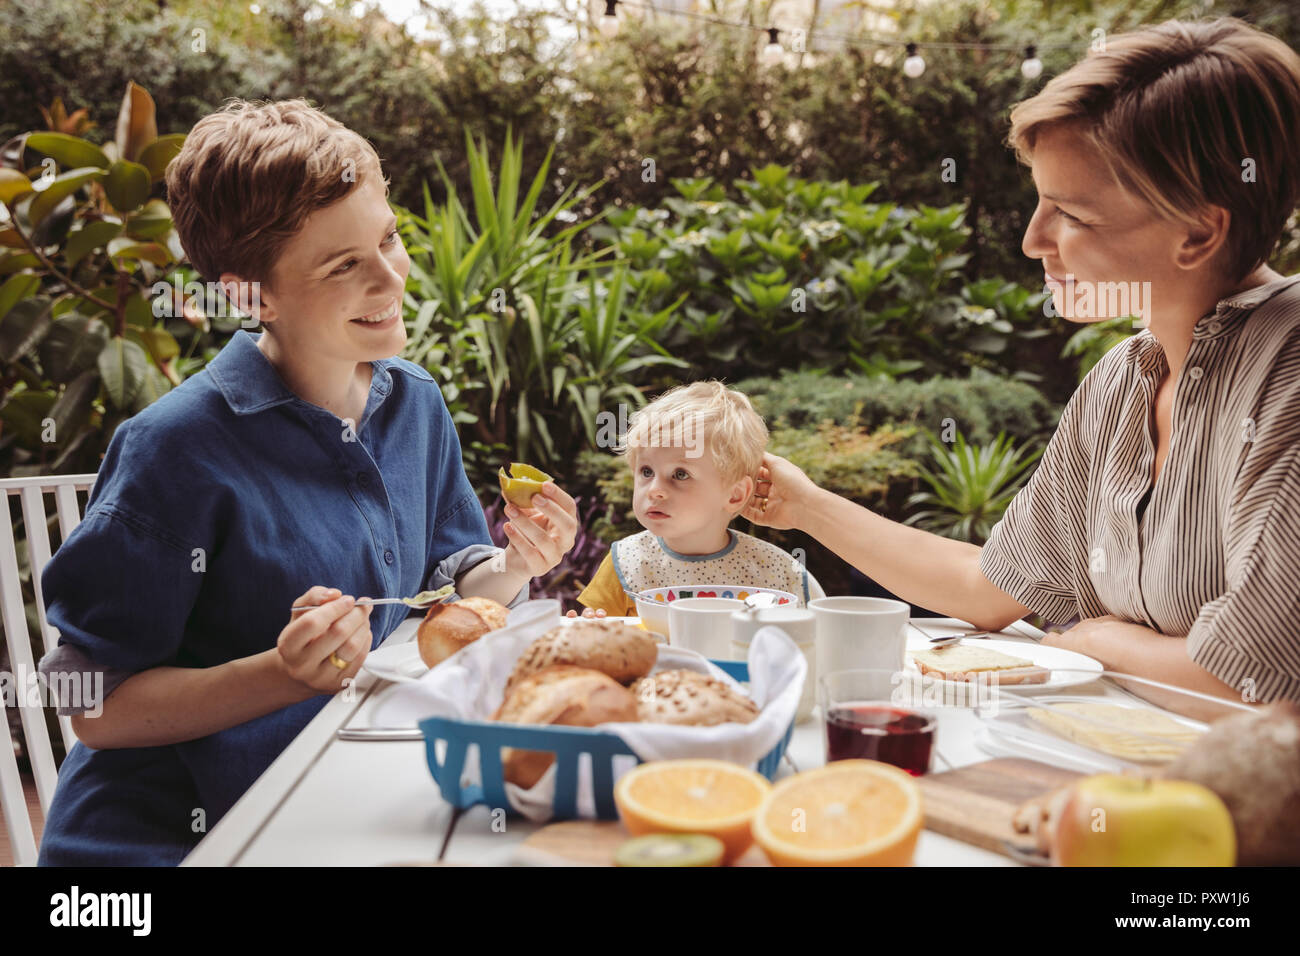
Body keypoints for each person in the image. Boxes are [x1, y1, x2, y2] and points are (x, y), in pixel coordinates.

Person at [34, 99, 579, 865]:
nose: (391, 276)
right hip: (169, 845)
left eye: (387, 238)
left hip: (343, 809)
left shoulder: (414, 402)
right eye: (344, 264)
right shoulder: (173, 450)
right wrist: (283, 674)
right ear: (250, 297)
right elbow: (86, 704)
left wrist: (517, 563)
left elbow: (446, 603)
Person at [742, 18, 1300, 712]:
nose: (1035, 240)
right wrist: (804, 506)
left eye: (1070, 213)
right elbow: (989, 587)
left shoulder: (1288, 376)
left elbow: (1257, 683)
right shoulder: (1124, 378)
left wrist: (1095, 641)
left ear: (1198, 230)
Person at [572, 381, 808, 618]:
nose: (654, 490)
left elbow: (805, 645)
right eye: (646, 471)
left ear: (735, 495)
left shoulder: (776, 571)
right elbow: (593, 639)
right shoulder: (625, 563)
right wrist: (586, 628)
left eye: (680, 474)